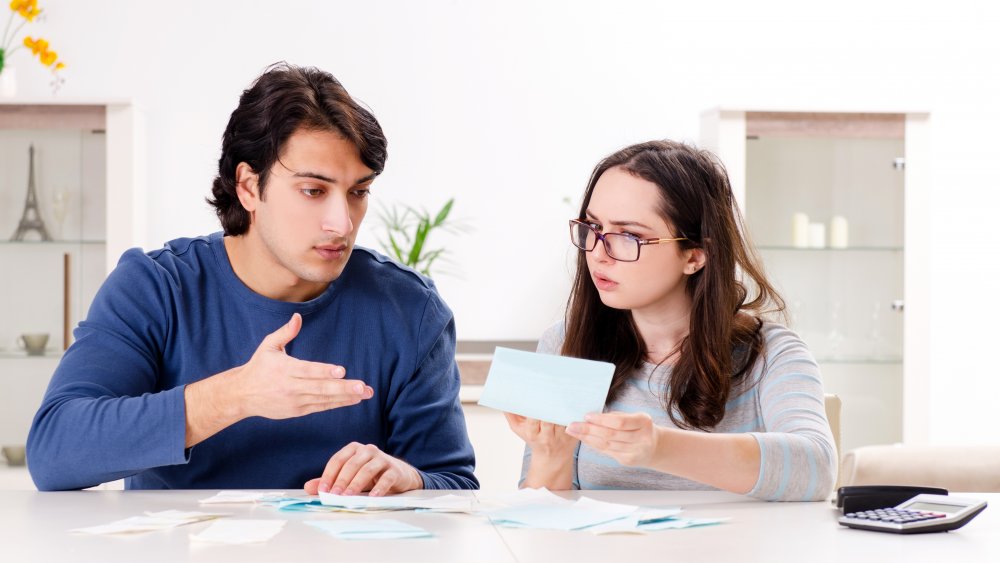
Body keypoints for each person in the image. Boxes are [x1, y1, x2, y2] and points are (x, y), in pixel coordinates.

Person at [27, 63, 478, 494]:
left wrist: (409, 478)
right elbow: (54, 450)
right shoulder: (157, 287)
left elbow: (453, 484)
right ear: (247, 186)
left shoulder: (411, 311)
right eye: (313, 191)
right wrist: (237, 395)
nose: (342, 223)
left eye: (358, 192)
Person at [505, 140, 836, 501]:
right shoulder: (564, 344)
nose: (599, 253)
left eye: (629, 236)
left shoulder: (772, 352)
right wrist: (552, 454)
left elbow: (816, 469)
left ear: (695, 256)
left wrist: (659, 447)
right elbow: (540, 515)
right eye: (592, 226)